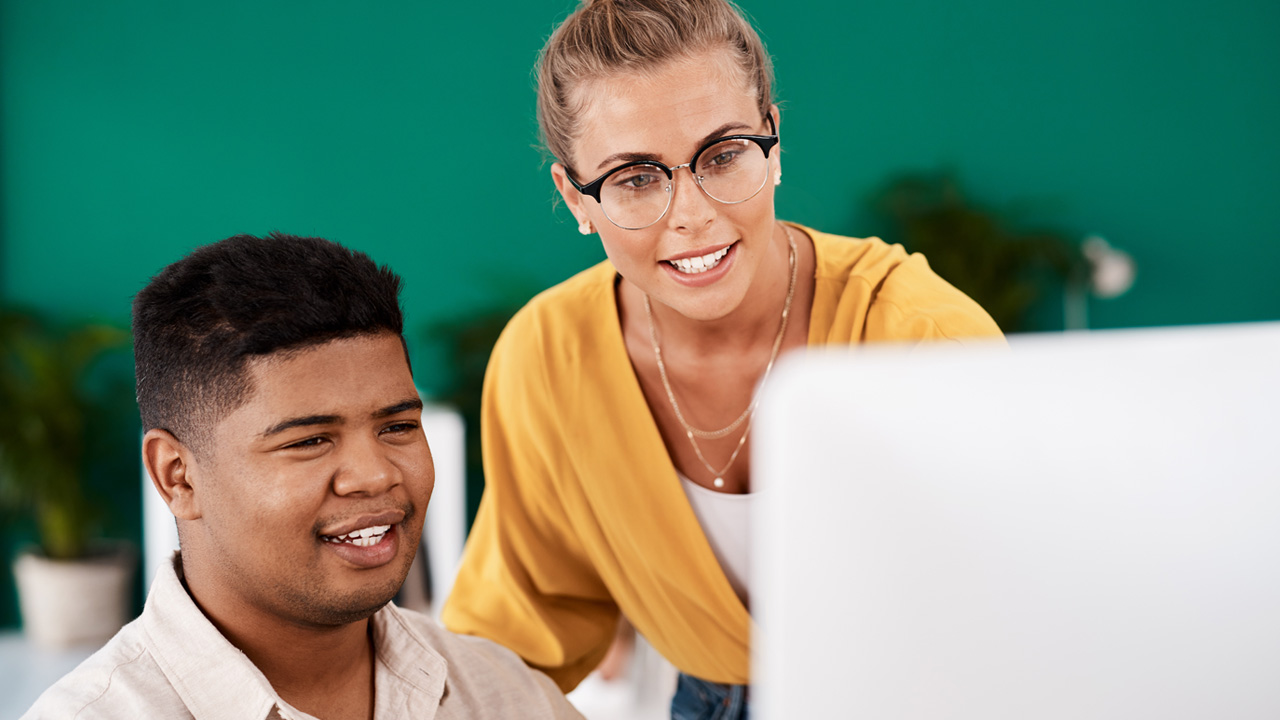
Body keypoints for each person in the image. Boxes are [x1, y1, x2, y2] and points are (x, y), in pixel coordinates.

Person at [440, 0, 1006, 717]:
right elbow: (516, 631)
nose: (692, 213)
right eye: (636, 177)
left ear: (773, 139)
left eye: (723, 154)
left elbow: (1020, 602)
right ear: (574, 196)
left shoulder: (921, 337)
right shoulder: (549, 355)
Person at [22, 233, 583, 720]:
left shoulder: (505, 696)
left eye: (397, 427)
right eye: (310, 441)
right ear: (178, 477)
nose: (374, 476)